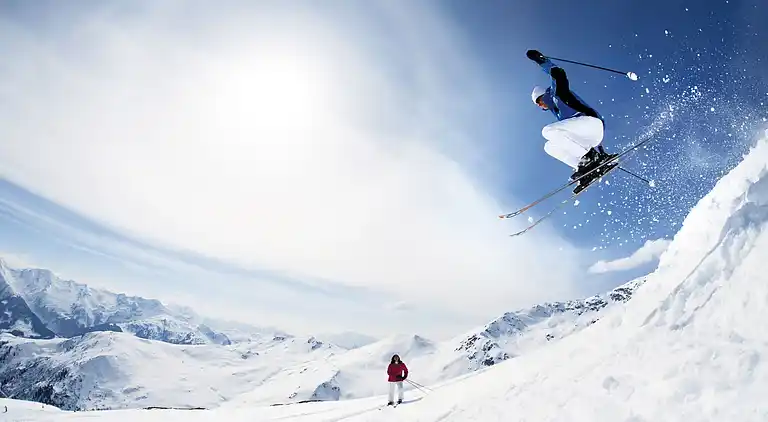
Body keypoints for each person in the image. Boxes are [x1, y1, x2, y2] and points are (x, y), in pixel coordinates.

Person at [526, 49, 618, 193]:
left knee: (548, 131)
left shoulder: (557, 93)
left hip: (593, 124)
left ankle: (588, 158)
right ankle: (585, 167)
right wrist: (602, 154)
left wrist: (541, 60)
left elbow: (559, 74)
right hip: (588, 138)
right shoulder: (559, 115)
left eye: (538, 101)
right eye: (537, 105)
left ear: (542, 95)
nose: (540, 106)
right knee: (549, 146)